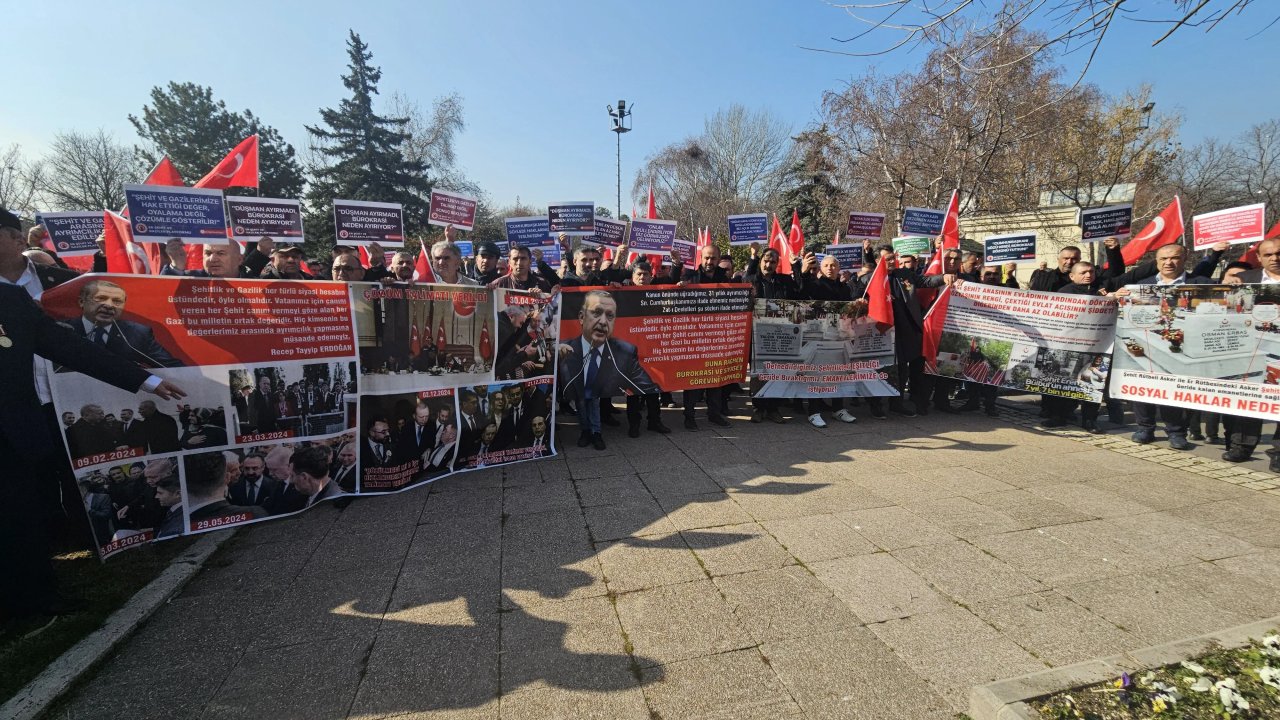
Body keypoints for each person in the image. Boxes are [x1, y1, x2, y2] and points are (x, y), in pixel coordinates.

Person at [0, 282, 184, 626]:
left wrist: (147, 381)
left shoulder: (9, 299)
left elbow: (69, 348)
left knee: (21, 515)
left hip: (13, 436)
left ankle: (34, 595)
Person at [1120, 243, 1215, 450]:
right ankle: (1145, 428)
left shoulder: (1201, 284)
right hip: (1146, 344)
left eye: (1174, 258)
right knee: (1142, 387)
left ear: (1185, 259)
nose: (1168, 262)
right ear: (1157, 262)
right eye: (1163, 259)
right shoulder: (1141, 286)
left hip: (1181, 347)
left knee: (1172, 390)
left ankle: (1176, 432)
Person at [557, 290, 658, 449]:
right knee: (581, 402)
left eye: (610, 316)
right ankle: (585, 431)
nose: (603, 321)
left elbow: (649, 386)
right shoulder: (563, 348)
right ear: (582, 317)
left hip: (597, 391)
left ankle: (597, 433)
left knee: (595, 403)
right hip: (578, 391)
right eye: (597, 313)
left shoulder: (625, 352)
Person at [1220, 239, 1280, 468]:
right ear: (1260, 258)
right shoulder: (1245, 279)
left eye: (1279, 253)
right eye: (1269, 254)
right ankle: (1241, 446)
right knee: (1250, 397)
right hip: (1251, 348)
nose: (1275, 258)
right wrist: (1225, 286)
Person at [59, 279, 184, 368]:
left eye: (117, 301)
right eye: (101, 298)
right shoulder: (61, 329)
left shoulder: (137, 333)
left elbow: (173, 367)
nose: (109, 305)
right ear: (82, 302)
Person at [677, 244, 734, 428]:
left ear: (718, 259)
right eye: (707, 258)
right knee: (693, 379)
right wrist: (679, 288)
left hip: (717, 336)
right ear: (701, 258)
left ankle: (714, 413)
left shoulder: (724, 278)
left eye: (713, 258)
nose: (710, 262)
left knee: (715, 378)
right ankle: (689, 416)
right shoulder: (690, 277)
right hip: (694, 336)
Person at [184, 452, 267, 528]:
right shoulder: (256, 513)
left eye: (239, 468)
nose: (240, 473)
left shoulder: (183, 521)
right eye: (234, 470)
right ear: (227, 477)